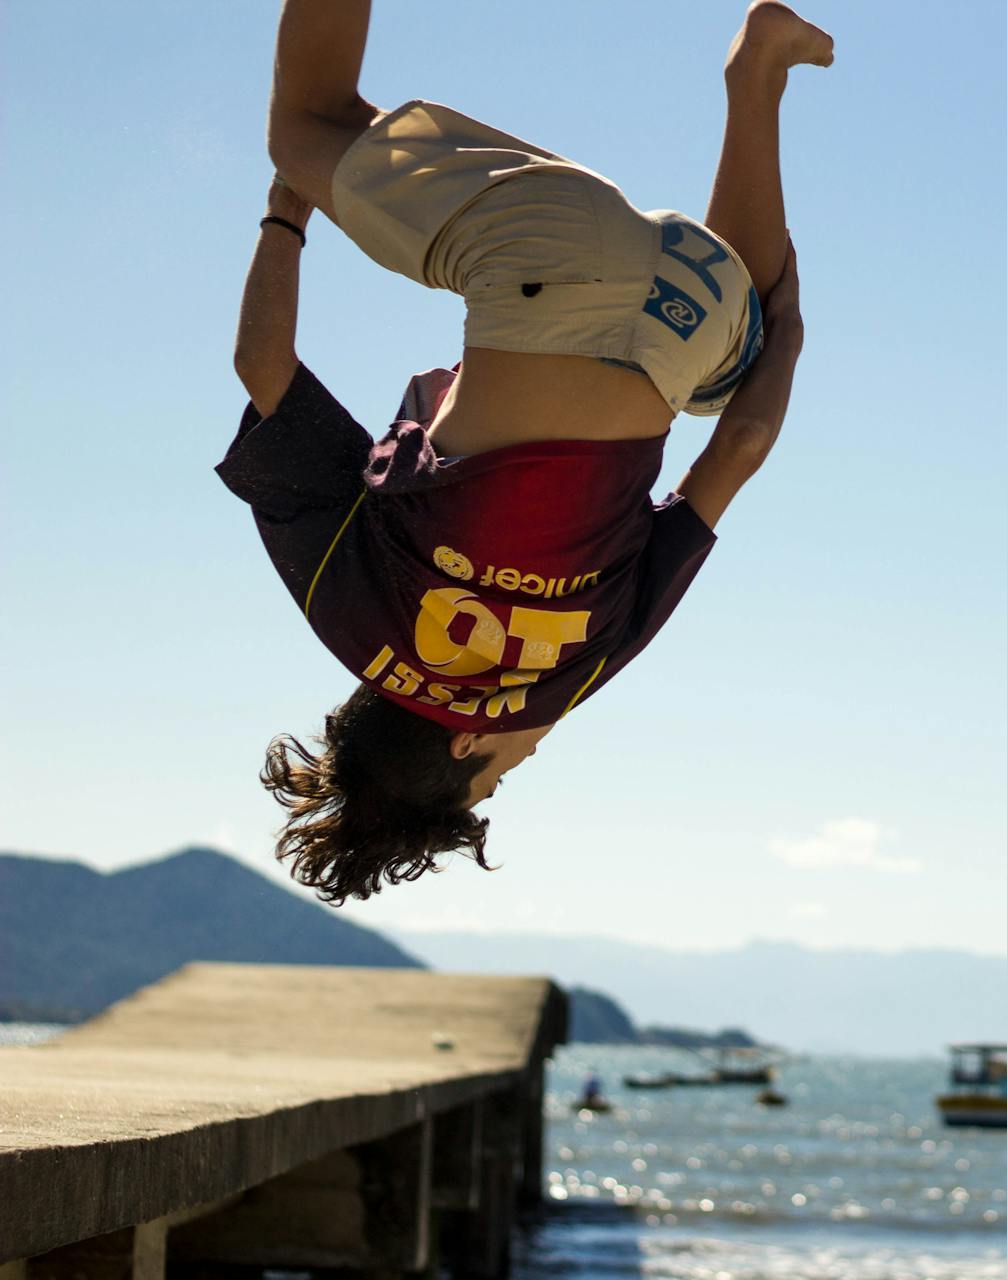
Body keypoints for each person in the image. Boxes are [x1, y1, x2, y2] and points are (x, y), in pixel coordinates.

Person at [223, 0, 831, 904]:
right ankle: (302, 156)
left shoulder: (565, 682)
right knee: (305, 124)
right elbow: (262, 368)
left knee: (723, 384)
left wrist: (788, 329)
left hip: (684, 313)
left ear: (466, 746)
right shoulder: (347, 614)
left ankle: (758, 76)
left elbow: (741, 445)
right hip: (537, 249)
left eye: (502, 776)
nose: (521, 757)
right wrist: (289, 206)